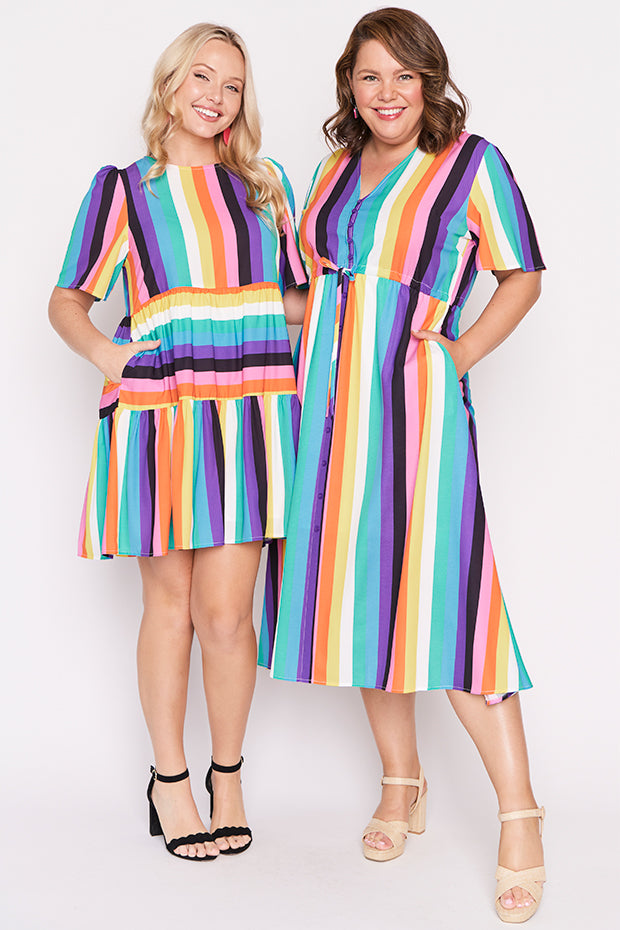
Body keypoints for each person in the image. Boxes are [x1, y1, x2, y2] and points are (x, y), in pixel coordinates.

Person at [260, 7, 545, 921]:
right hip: (325, 415)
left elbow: (523, 275)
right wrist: (211, 308)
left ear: (430, 83)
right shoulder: (330, 171)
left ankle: (520, 814)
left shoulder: (471, 164)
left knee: (452, 608)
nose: (387, 93)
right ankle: (401, 783)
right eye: (370, 76)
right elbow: (313, 294)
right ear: (349, 85)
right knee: (364, 604)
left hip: (417, 413)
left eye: (404, 76)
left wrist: (456, 356)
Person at [49, 23, 306, 861]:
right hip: (164, 412)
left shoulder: (266, 187)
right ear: (170, 83)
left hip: (252, 412)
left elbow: (289, 300)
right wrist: (108, 356)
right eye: (202, 76)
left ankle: (227, 776)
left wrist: (368, 304)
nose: (216, 96)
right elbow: (67, 301)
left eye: (233, 85)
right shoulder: (124, 190)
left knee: (228, 615)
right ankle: (169, 778)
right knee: (171, 606)